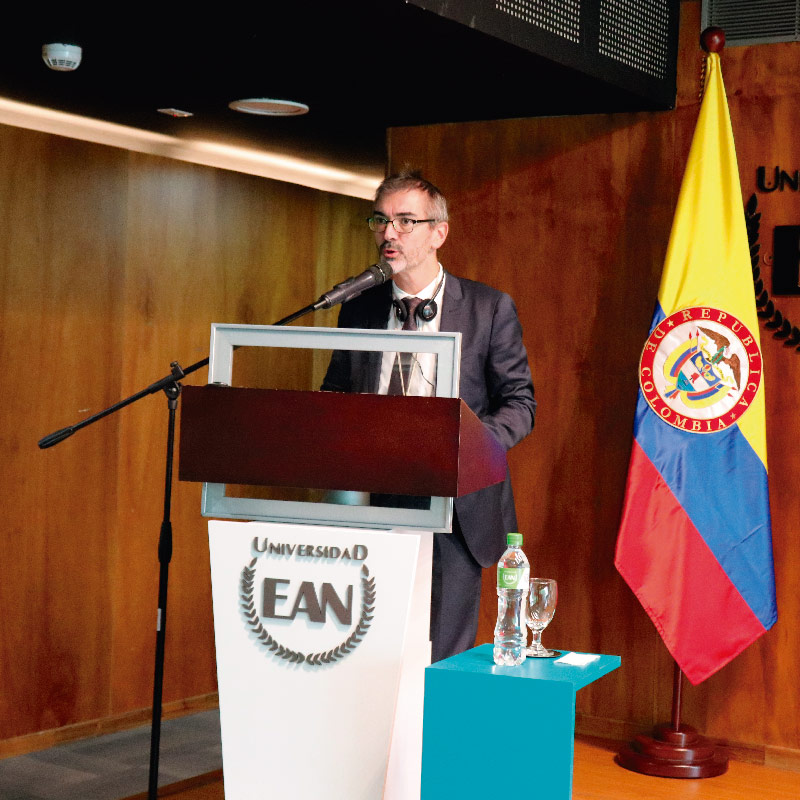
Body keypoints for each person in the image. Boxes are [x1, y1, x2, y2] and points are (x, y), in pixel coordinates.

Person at [322, 171, 535, 661]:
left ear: (439, 232)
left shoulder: (487, 308)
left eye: (405, 221)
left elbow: (520, 404)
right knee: (371, 644)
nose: (388, 233)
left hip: (455, 504)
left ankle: (430, 740)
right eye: (381, 220)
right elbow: (336, 390)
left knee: (441, 654)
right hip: (371, 497)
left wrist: (468, 445)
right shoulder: (358, 307)